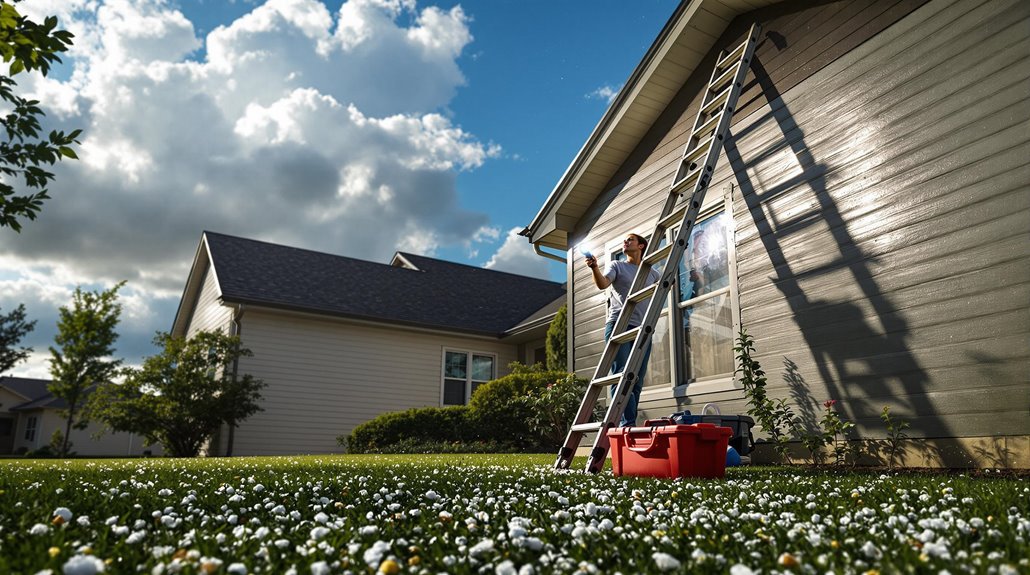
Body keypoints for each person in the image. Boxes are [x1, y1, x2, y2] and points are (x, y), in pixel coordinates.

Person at [584, 233, 661, 427]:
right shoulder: (617, 265)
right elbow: (603, 283)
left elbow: (666, 286)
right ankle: (627, 425)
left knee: (637, 379)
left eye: (630, 239)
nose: (625, 242)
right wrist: (594, 267)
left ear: (641, 246)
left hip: (642, 329)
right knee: (621, 375)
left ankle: (628, 422)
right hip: (620, 325)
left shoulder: (651, 272)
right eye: (624, 241)